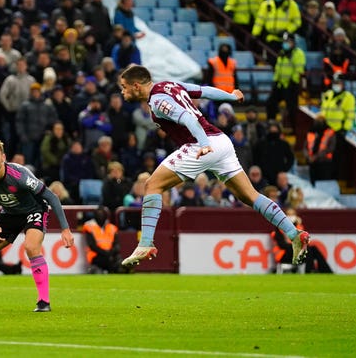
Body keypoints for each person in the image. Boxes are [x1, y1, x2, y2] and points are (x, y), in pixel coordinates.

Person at [116, 64, 310, 268]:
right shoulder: (169, 85)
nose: (123, 91)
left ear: (136, 86)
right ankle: (294, 233)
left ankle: (145, 243)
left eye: (124, 87)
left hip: (202, 144)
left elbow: (188, 118)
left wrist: (204, 143)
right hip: (222, 141)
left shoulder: (157, 101)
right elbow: (203, 91)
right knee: (249, 195)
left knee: (151, 186)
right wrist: (231, 97)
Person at [0, 139, 74, 312]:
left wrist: (65, 228)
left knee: (31, 247)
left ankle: (43, 302)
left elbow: (52, 197)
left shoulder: (19, 176)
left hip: (34, 210)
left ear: (3, 157)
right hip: (9, 214)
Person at [82, 206, 122, 274]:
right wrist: (106, 253)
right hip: (96, 255)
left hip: (110, 254)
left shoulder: (112, 227)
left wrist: (111, 252)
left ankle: (119, 268)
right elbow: (92, 245)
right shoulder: (89, 226)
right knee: (107, 260)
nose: (100, 215)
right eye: (98, 213)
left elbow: (117, 245)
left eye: (102, 213)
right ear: (95, 215)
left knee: (119, 260)